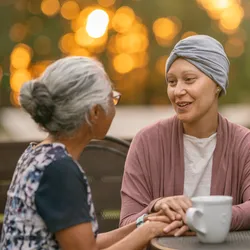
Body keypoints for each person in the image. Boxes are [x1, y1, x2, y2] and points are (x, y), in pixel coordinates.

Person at [0, 56, 169, 250]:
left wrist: (144, 223)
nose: (114, 107)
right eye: (112, 98)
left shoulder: (37, 155)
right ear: (95, 112)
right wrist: (147, 233)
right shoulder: (60, 171)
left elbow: (88, 244)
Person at [120, 35, 250, 236]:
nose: (178, 91)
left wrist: (197, 218)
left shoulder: (244, 143)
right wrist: (157, 206)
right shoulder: (147, 142)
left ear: (217, 83)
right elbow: (127, 222)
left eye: (189, 80)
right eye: (171, 82)